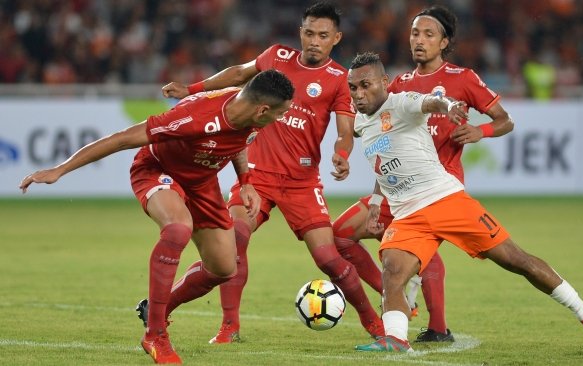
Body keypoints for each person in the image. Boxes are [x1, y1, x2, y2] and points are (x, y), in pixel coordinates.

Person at [19, 69, 295, 364]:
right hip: (158, 171)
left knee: (224, 267)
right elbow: (123, 138)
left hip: (202, 181)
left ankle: (156, 308)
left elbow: (238, 142)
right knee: (178, 228)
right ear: (263, 109)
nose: (280, 119)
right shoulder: (196, 116)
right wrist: (59, 170)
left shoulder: (250, 113)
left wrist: (246, 180)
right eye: (280, 114)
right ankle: (155, 335)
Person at [346, 52, 583, 352]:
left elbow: (432, 102)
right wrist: (375, 200)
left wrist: (449, 106)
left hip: (445, 201)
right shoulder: (361, 123)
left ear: (384, 82)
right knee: (392, 274)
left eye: (365, 85)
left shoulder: (402, 102)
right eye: (353, 87)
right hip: (407, 215)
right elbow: (384, 165)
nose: (359, 93)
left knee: (518, 261)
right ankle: (396, 340)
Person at [158, 1, 384, 344]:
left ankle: (375, 325)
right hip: (257, 176)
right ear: (300, 32)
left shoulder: (339, 79)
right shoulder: (276, 56)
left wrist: (341, 155)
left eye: (323, 35)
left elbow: (344, 131)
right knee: (235, 241)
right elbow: (236, 73)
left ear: (335, 38)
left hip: (301, 182)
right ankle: (227, 327)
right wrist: (190, 89)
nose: (314, 41)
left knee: (327, 257)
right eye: (309, 33)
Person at [332, 5, 515, 343]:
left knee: (423, 250)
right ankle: (403, 301)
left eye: (429, 34)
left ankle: (437, 327)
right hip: (396, 186)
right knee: (341, 235)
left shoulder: (463, 78)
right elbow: (382, 148)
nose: (419, 40)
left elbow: (506, 120)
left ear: (444, 42)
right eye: (415, 33)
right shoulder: (398, 84)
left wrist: (481, 132)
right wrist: (375, 198)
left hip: (439, 185)